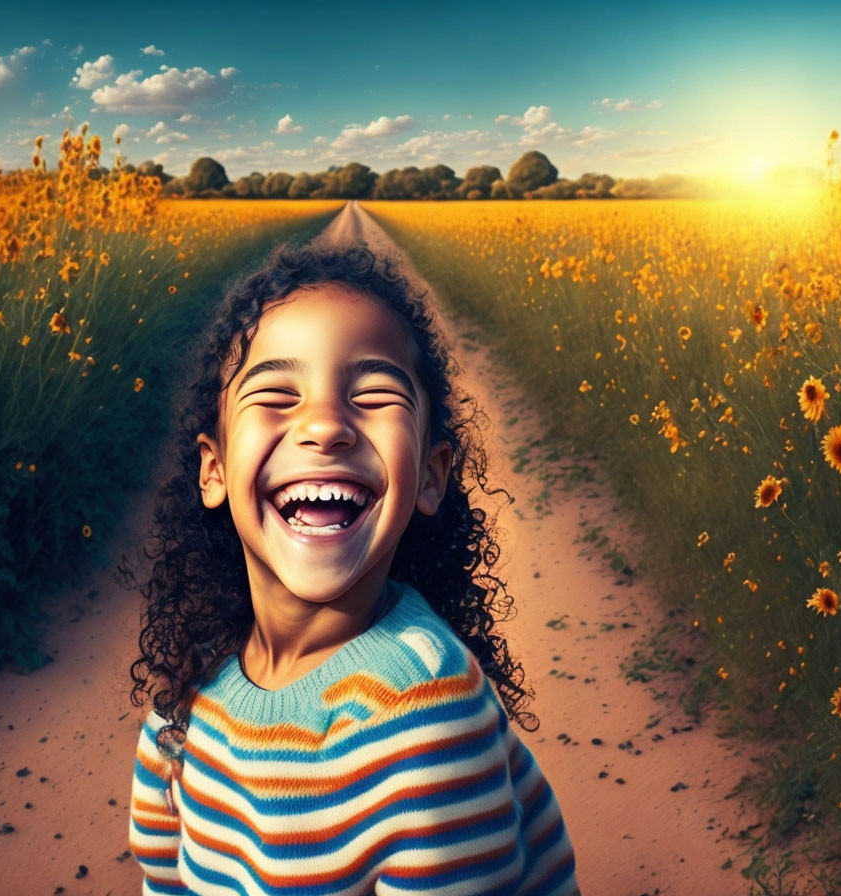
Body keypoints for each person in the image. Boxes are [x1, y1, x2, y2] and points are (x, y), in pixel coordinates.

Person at [122, 243, 578, 895]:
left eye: (372, 396)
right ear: (214, 469)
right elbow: (165, 882)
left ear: (430, 475)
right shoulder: (187, 685)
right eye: (277, 395)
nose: (325, 426)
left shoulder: (423, 713)